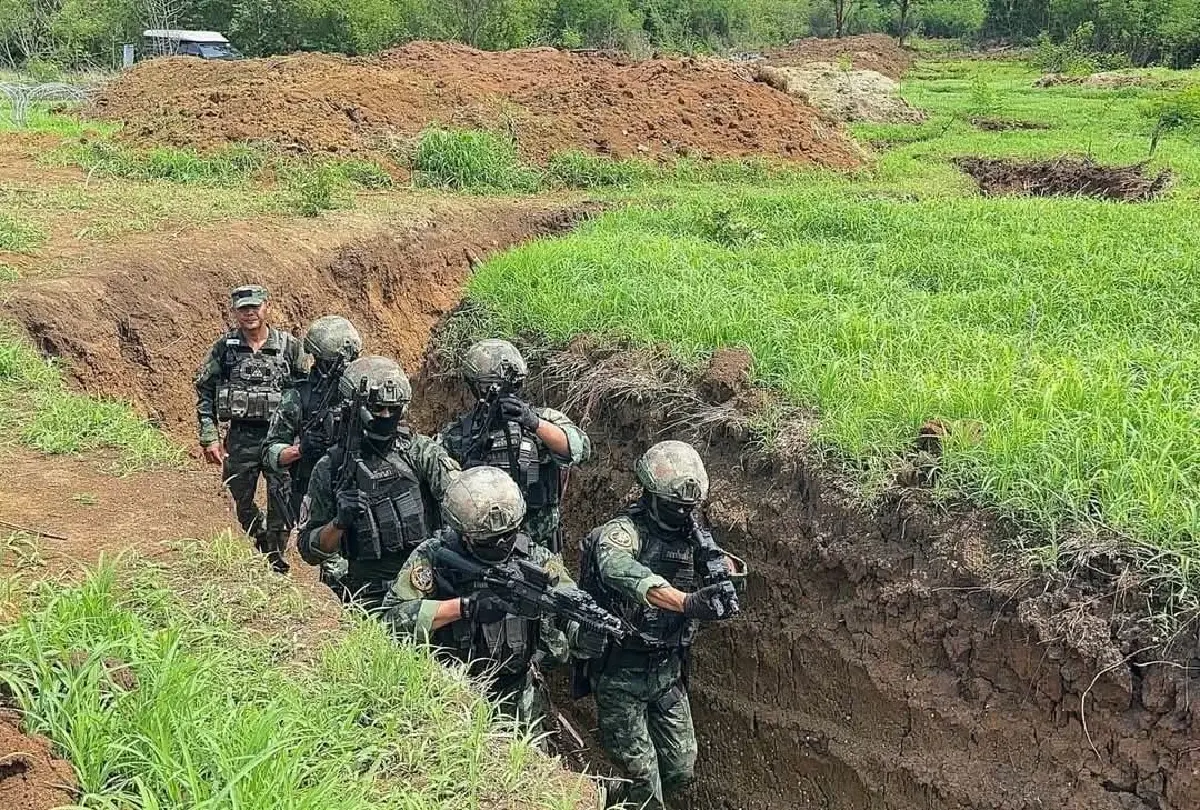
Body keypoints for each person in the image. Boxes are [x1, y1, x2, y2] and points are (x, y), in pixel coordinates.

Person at [577, 440, 746, 810]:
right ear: (651, 496)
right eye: (675, 507)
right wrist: (686, 602)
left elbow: (723, 579)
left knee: (680, 769)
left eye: (689, 508)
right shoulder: (625, 531)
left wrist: (725, 575)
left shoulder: (693, 535)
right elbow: (618, 568)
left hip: (667, 671)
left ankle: (618, 801)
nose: (682, 515)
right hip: (621, 672)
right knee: (644, 779)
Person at [384, 465, 577, 726]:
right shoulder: (434, 556)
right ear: (463, 535)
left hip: (518, 696)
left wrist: (583, 632)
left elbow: (570, 602)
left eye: (508, 536)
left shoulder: (535, 559)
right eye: (487, 541)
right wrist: (465, 607)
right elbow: (391, 622)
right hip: (450, 694)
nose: (501, 545)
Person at [297, 355, 459, 612]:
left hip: (423, 587)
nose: (385, 416)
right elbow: (309, 550)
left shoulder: (420, 453)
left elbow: (461, 504)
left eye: (392, 409)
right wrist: (339, 523)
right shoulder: (330, 468)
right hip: (363, 595)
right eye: (377, 409)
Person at [438, 339, 590, 552]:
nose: (501, 392)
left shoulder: (543, 421)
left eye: (513, 385)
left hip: (538, 545)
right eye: (489, 386)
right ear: (474, 386)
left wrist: (533, 422)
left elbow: (580, 449)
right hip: (480, 548)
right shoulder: (457, 436)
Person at [195, 284, 304, 572]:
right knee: (238, 499)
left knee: (282, 501)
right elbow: (205, 390)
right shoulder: (224, 349)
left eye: (255, 307)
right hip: (241, 438)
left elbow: (309, 392)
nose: (250, 313)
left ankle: (278, 557)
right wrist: (209, 436)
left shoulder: (289, 347)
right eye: (243, 308)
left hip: (279, 438)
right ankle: (260, 541)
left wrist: (305, 437)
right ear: (235, 312)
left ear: (266, 307)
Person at [263, 315, 362, 594]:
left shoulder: (360, 394)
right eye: (334, 362)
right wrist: (301, 450)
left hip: (349, 490)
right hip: (308, 492)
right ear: (317, 359)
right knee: (329, 571)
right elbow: (270, 453)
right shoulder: (299, 397)